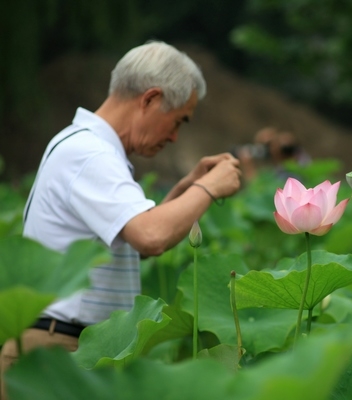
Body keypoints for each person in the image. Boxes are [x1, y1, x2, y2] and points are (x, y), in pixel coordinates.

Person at [0, 41, 241, 399]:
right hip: (59, 350)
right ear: (150, 99)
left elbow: (130, 241)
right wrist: (207, 188)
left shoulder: (85, 146)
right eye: (178, 122)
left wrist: (183, 190)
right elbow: (151, 236)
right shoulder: (90, 153)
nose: (175, 137)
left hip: (68, 348)